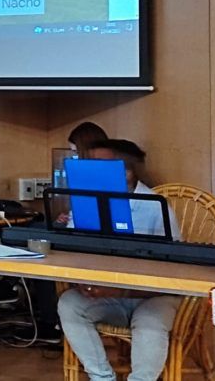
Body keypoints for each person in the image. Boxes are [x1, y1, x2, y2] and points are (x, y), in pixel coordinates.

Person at [58, 138, 182, 381]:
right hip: (108, 295)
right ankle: (102, 377)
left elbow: (173, 270)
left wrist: (122, 290)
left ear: (127, 172)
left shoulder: (155, 206)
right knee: (69, 304)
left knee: (149, 323)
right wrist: (84, 281)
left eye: (98, 165)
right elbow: (72, 247)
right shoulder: (87, 201)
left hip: (154, 296)